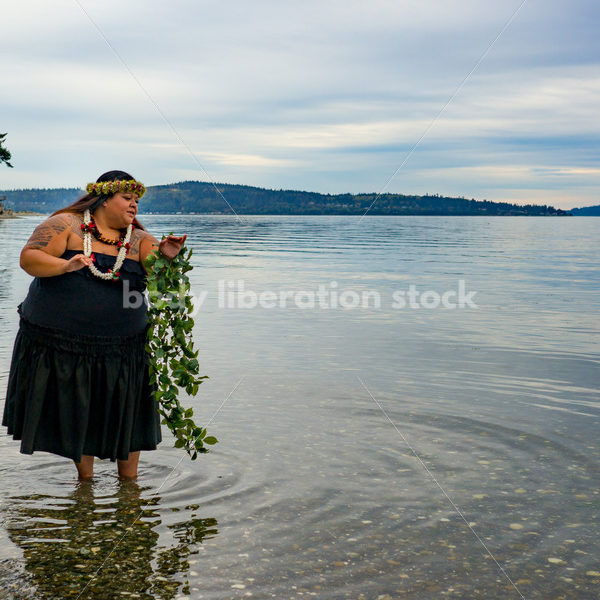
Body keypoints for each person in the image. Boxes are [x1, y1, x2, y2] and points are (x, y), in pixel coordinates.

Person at [2, 170, 187, 480]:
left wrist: (168, 260)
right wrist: (66, 264)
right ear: (103, 199)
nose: (134, 206)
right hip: (63, 343)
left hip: (125, 347)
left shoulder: (140, 240)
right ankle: (85, 484)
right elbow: (29, 258)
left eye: (137, 200)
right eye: (126, 198)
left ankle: (130, 489)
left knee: (127, 414)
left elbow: (162, 276)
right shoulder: (66, 225)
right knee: (81, 410)